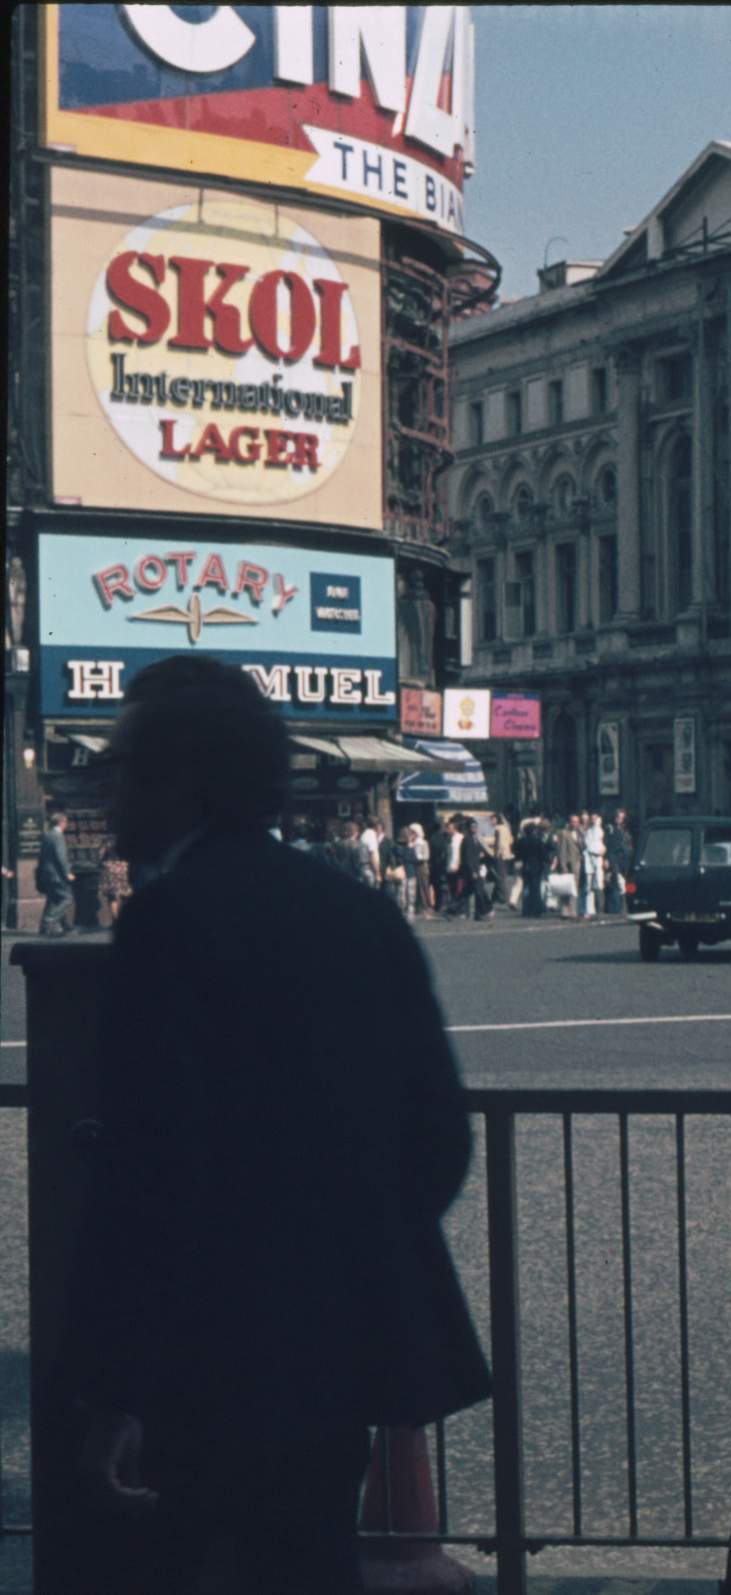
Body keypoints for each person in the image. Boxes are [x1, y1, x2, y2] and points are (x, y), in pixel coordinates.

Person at [63, 654, 489, 1595]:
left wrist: (116, 1385)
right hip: (340, 1347)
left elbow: (150, 1171)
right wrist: (345, 1248)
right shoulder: (357, 910)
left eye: (126, 769)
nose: (109, 790)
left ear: (181, 781)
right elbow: (439, 1139)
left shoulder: (166, 920)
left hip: (208, 1353)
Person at [38, 807, 76, 936]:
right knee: (67, 898)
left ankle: (47, 928)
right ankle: (50, 921)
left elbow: (42, 857)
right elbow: (61, 856)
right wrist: (67, 873)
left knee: (53, 899)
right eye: (66, 822)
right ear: (61, 822)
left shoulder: (47, 835)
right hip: (57, 875)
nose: (66, 825)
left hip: (47, 874)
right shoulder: (58, 836)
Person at [96, 841, 132, 930]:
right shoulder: (121, 840)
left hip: (110, 868)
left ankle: (116, 923)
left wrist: (101, 863)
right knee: (125, 894)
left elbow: (100, 854)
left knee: (112, 897)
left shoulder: (106, 841)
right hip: (123, 867)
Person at [607, 811, 635, 913]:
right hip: (615, 859)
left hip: (625, 860)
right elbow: (609, 846)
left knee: (626, 883)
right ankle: (616, 908)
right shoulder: (611, 830)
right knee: (617, 882)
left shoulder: (626, 831)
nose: (619, 819)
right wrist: (607, 859)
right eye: (618, 817)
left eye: (621, 817)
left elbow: (629, 845)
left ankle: (625, 906)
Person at [581, 812, 606, 921]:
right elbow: (588, 845)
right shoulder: (588, 832)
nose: (594, 821)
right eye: (592, 819)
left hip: (598, 860)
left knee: (599, 884)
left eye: (595, 819)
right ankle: (588, 910)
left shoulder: (600, 831)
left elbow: (602, 845)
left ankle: (600, 909)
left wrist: (602, 850)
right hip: (590, 859)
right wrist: (598, 851)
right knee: (588, 886)